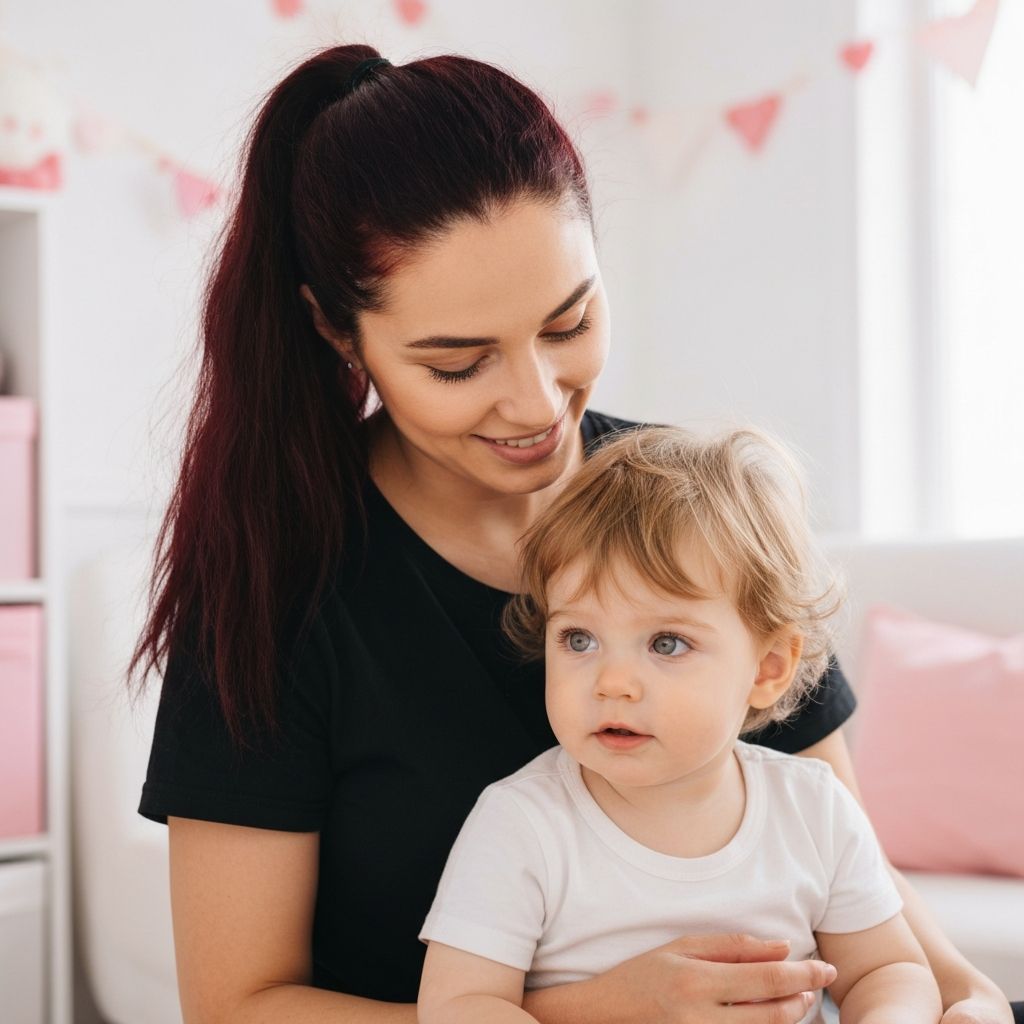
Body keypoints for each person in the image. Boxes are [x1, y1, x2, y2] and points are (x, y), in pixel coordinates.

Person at [130, 42, 1019, 1024]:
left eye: (568, 322)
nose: (537, 401)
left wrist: (963, 998)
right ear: (338, 333)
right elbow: (236, 1006)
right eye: (459, 363)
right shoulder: (277, 584)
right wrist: (597, 1012)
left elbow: (864, 890)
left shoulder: (688, 507)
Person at [417, 426, 942, 1024]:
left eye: (666, 643)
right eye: (579, 638)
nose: (612, 682)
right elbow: (461, 1004)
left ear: (768, 669)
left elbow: (888, 970)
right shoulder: (522, 824)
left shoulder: (814, 807)